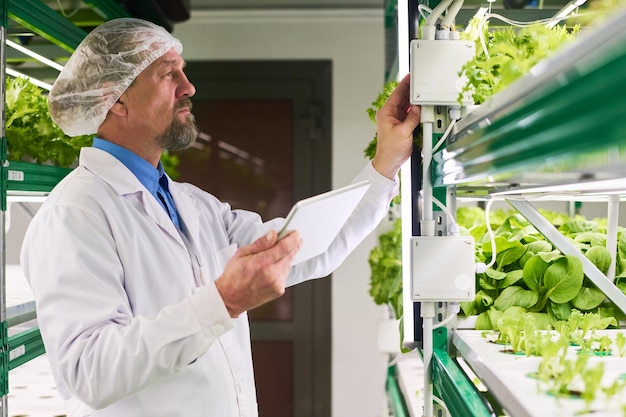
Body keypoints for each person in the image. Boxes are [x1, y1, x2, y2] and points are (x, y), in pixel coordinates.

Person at [20, 18, 421, 417]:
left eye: (183, 70)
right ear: (116, 99)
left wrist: (385, 164)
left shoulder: (190, 203)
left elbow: (304, 246)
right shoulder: (74, 214)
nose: (188, 86)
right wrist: (223, 302)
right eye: (167, 74)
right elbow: (88, 372)